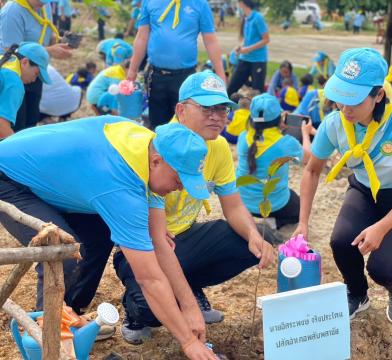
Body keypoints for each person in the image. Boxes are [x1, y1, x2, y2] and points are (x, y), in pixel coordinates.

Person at [0, 119, 221, 359]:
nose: (180, 189)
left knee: (98, 236)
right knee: (61, 252)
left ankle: (70, 315)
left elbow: (159, 242)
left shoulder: (151, 150)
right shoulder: (120, 187)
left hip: (47, 174)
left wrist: (190, 306)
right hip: (9, 176)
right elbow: (149, 279)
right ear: (157, 162)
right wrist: (188, 342)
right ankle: (50, 339)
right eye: (179, 181)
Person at [113, 71, 277, 345]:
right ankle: (135, 308)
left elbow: (234, 206)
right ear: (181, 110)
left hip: (184, 240)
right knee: (152, 309)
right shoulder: (159, 147)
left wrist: (253, 236)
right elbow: (156, 237)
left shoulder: (220, 147)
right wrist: (185, 307)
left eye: (222, 109)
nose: (216, 116)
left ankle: (188, 288)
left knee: (256, 239)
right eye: (206, 108)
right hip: (145, 247)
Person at [293, 48, 392, 326]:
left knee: (382, 268)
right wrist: (302, 222)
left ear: (378, 95)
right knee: (341, 242)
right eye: (340, 97)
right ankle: (357, 293)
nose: (344, 108)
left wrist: (382, 227)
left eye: (353, 100)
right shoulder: (335, 124)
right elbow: (311, 170)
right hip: (364, 190)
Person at [127, 0, 226, 129]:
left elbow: (210, 41)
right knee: (158, 126)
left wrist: (220, 74)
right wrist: (132, 70)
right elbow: (142, 36)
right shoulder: (149, 2)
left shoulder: (200, 4)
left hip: (185, 78)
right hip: (156, 76)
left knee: (185, 126)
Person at [236, 93, 311, 230]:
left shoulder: (243, 137)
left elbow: (263, 131)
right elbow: (308, 158)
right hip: (273, 206)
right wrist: (305, 133)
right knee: (299, 209)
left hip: (242, 201)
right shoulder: (286, 143)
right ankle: (274, 222)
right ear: (279, 119)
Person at [0, 0, 72, 131]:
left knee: (31, 121)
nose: (43, 4)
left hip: (33, 69)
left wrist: (58, 42)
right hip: (19, 70)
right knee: (16, 122)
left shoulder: (46, 7)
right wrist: (49, 50)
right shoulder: (12, 12)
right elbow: (12, 51)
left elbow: (47, 33)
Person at [0, 42, 51, 139]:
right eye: (36, 74)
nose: (34, 80)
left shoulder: (4, 61)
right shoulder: (14, 83)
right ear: (25, 62)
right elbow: (1, 127)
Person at [227, 0, 269, 95]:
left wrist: (248, 49)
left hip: (258, 60)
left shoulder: (258, 17)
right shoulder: (246, 18)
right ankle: (227, 110)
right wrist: (240, 46)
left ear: (242, 3)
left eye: (237, 2)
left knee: (257, 93)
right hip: (245, 59)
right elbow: (247, 39)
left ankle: (254, 110)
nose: (237, 5)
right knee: (231, 89)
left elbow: (266, 39)